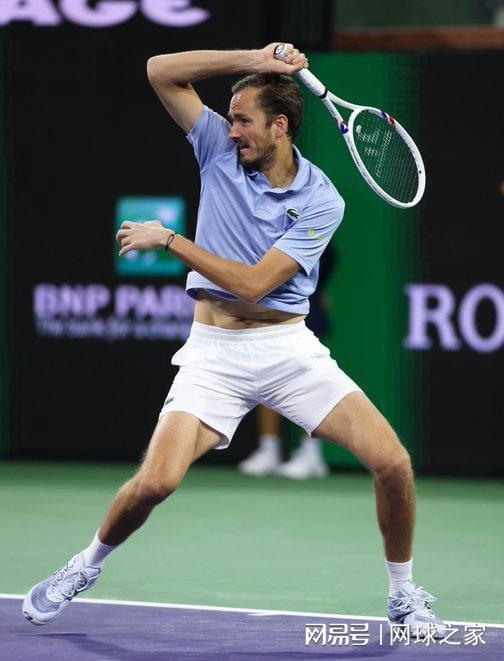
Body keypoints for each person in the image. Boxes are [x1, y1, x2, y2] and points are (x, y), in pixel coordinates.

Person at [23, 43, 446, 638]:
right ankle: (84, 565)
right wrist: (256, 59)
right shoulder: (216, 147)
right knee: (155, 483)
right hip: (213, 355)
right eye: (229, 118)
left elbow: (252, 284)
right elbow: (159, 71)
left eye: (244, 120)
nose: (232, 130)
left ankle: (402, 593)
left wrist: (171, 241)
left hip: (287, 351)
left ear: (280, 126)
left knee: (394, 464)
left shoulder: (322, 200)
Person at [240, 247, 336, 479]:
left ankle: (311, 452)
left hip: (304, 307)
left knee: (308, 381)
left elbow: (329, 256)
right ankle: (269, 449)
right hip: (269, 305)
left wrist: (317, 288)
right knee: (266, 375)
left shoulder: (310, 231)